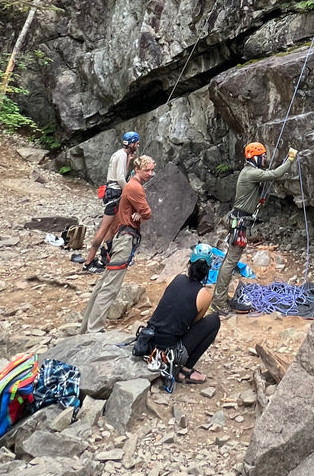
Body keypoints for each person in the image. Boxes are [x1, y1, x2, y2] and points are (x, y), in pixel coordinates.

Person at [212, 142, 297, 315]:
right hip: (240, 222)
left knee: (230, 260)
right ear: (255, 156)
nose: (265, 158)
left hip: (241, 220)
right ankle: (219, 302)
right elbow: (274, 174)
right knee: (230, 262)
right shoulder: (251, 172)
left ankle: (220, 299)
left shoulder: (249, 172)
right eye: (263, 156)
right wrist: (290, 159)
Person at [79, 154, 155, 334]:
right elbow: (147, 212)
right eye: (147, 170)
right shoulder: (135, 188)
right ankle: (94, 330)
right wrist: (142, 213)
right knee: (110, 288)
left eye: (152, 169)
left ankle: (86, 327)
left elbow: (141, 212)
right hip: (125, 240)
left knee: (104, 283)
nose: (151, 173)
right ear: (137, 169)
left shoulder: (130, 185)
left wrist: (140, 213)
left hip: (122, 237)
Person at [145, 243, 221, 384]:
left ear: (190, 263)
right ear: (208, 270)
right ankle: (185, 371)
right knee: (214, 320)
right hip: (170, 352)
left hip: (149, 341)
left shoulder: (173, 279)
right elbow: (194, 322)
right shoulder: (204, 296)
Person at [76, 130, 140, 272]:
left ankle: (104, 258)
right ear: (131, 143)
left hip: (111, 192)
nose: (138, 145)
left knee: (112, 228)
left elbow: (118, 172)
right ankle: (88, 263)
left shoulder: (119, 154)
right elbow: (120, 178)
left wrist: (129, 161)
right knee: (104, 229)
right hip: (115, 193)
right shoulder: (122, 155)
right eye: (136, 143)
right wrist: (128, 191)